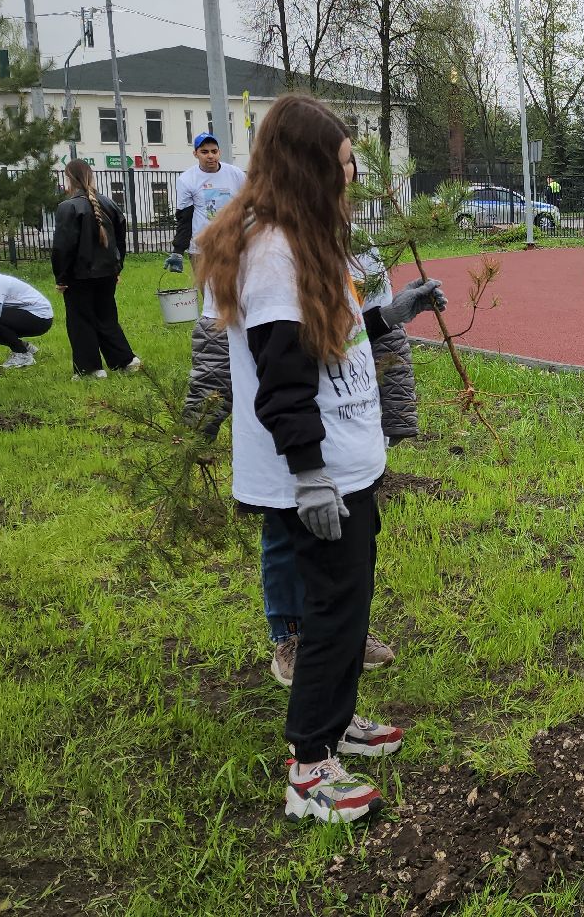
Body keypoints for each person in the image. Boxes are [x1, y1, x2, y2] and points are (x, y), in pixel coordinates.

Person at [193, 92, 444, 823]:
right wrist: (309, 479)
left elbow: (326, 331)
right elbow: (282, 381)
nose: (349, 180)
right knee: (331, 616)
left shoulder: (305, 238)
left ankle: (334, 726)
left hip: (347, 463)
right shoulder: (273, 252)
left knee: (349, 604)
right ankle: (309, 765)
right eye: (340, 168)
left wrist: (386, 316)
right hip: (319, 474)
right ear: (305, 170)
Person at [187, 150, 410, 689]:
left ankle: (339, 633)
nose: (349, 173)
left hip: (340, 423)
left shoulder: (346, 241)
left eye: (352, 161)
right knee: (288, 529)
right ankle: (290, 634)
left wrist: (394, 408)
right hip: (290, 434)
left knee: (340, 548)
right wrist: (198, 424)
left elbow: (367, 329)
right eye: (339, 163)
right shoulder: (261, 249)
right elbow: (226, 343)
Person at [52, 159, 141, 379]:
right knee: (106, 317)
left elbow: (63, 246)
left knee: (80, 320)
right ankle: (125, 361)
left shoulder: (68, 207)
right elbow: (120, 240)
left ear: (69, 178)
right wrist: (117, 267)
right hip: (107, 273)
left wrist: (61, 276)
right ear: (91, 176)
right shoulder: (109, 203)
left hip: (78, 275)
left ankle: (89, 369)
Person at [166, 132, 245, 274]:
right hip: (201, 249)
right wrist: (178, 251)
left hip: (232, 245)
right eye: (204, 152)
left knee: (234, 292)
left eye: (214, 151)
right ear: (195, 154)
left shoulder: (236, 175)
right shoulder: (187, 180)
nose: (210, 156)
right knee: (208, 293)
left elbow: (248, 207)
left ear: (219, 152)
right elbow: (185, 217)